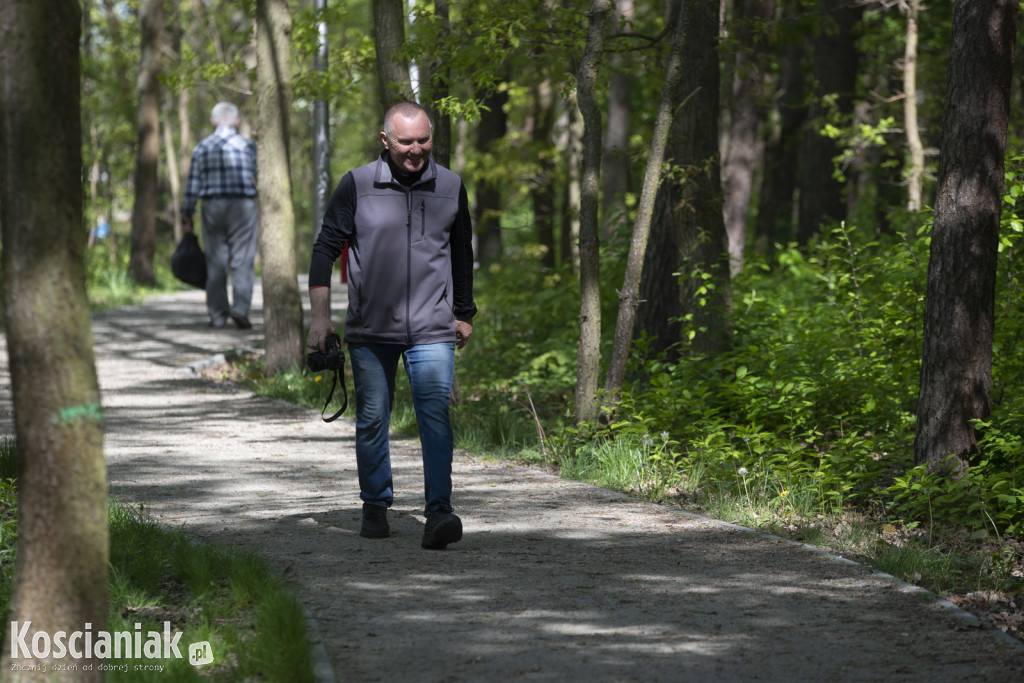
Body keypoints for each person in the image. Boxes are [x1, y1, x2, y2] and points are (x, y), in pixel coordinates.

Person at [307, 101, 477, 550]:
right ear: (386, 140)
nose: (416, 150)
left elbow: (462, 252)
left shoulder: (452, 186)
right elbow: (325, 249)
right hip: (369, 328)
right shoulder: (358, 184)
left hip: (432, 327)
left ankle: (439, 512)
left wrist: (464, 312)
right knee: (372, 419)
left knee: (435, 418)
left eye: (424, 140)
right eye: (406, 141)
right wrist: (320, 319)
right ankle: (375, 505)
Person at [181, 102, 259, 329]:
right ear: (236, 122)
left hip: (212, 206)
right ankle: (240, 310)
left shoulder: (202, 147)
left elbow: (193, 183)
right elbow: (260, 177)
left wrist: (187, 213)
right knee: (243, 260)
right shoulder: (248, 146)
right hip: (243, 206)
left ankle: (217, 316)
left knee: (215, 261)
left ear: (213, 121)